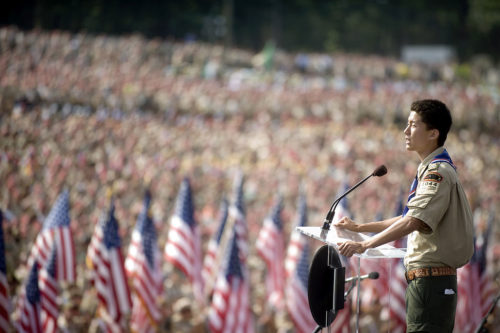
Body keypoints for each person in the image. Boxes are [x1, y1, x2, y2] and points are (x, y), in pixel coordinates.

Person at [335, 99, 474, 333]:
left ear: (433, 133)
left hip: (431, 282)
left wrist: (365, 245)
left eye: (413, 124)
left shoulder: (437, 172)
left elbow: (414, 221)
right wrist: (360, 228)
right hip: (428, 281)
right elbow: (408, 216)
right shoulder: (431, 168)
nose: (405, 131)